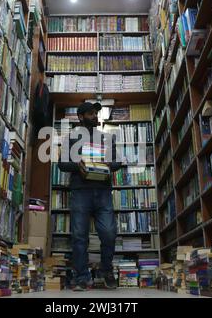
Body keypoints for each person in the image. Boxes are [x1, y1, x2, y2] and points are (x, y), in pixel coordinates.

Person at [58, 102, 122, 291]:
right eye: (91, 113)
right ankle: (81, 277)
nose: (95, 116)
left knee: (109, 233)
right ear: (80, 117)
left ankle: (106, 271)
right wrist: (77, 164)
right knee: (79, 236)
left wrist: (110, 164)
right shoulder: (71, 138)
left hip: (103, 192)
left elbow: (117, 162)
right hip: (80, 192)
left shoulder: (107, 138)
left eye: (96, 113)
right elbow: (62, 164)